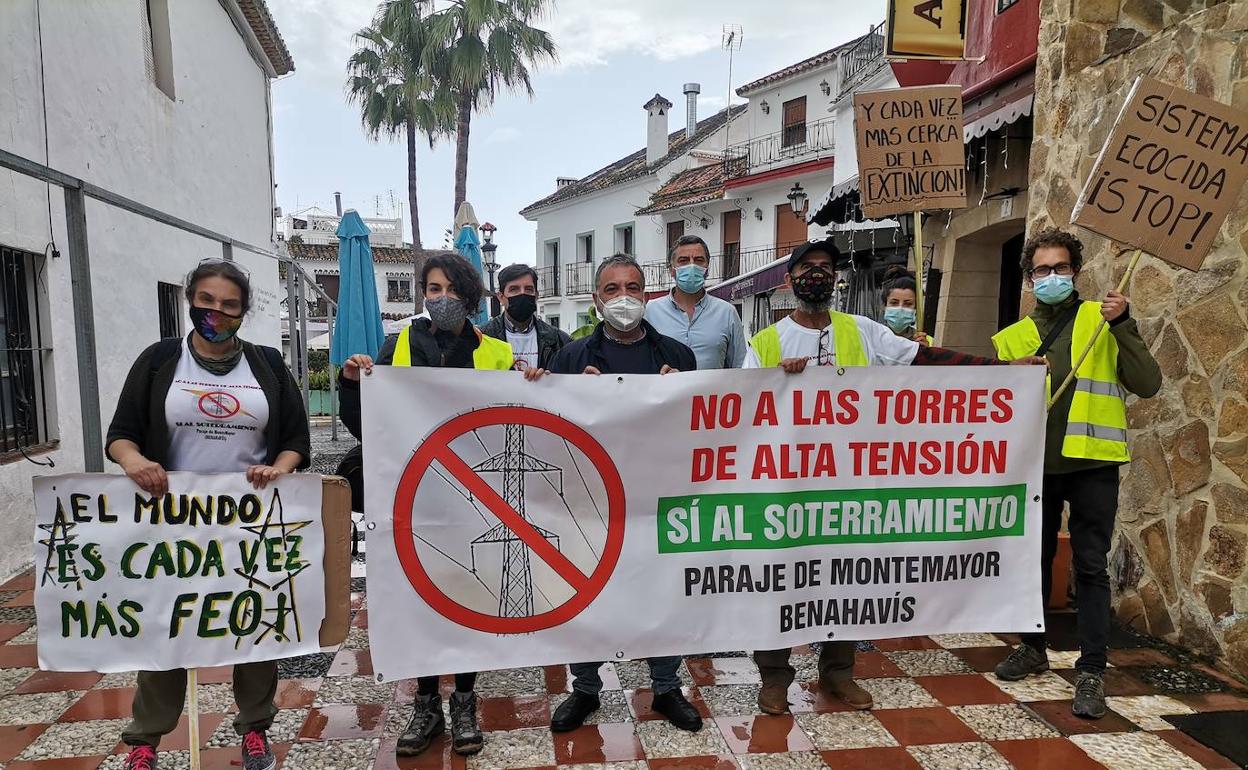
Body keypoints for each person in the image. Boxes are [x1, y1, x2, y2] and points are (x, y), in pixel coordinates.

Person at [744, 238, 1046, 715]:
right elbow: (743, 415)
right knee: (783, 580)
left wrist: (1003, 371)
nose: (817, 274)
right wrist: (776, 381)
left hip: (851, 486)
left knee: (843, 583)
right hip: (789, 489)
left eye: (825, 267)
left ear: (836, 278)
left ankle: (838, 673)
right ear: (789, 280)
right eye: (807, 268)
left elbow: (926, 361)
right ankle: (775, 678)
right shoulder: (764, 343)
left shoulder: (863, 330)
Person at [106, 258, 311, 770]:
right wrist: (135, 462)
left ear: (243, 312)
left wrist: (278, 471)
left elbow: (295, 441)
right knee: (167, 625)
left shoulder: (266, 365)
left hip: (248, 518)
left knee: (254, 621)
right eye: (207, 302)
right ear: (190, 301)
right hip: (171, 519)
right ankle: (146, 740)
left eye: (229, 305)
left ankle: (255, 728)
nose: (216, 313)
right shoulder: (157, 361)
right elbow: (122, 434)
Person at [339, 253, 517, 758]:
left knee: (464, 598)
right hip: (409, 496)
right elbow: (367, 424)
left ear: (471, 294)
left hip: (474, 496)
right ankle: (425, 703)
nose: (441, 298)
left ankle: (464, 699)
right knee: (415, 599)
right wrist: (353, 383)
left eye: (451, 289)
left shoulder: (497, 353)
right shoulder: (395, 348)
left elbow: (513, 421)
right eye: (432, 289)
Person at [991, 228, 1160, 720]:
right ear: (1028, 278)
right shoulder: (1011, 337)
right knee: (1032, 563)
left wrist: (1125, 324)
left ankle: (1091, 670)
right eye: (1041, 270)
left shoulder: (1103, 318)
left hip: (1093, 465)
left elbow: (1148, 383)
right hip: (1035, 467)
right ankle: (1033, 646)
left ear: (1075, 272)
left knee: (1090, 567)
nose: (1051, 277)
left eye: (1060, 268)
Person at [545, 253, 702, 733]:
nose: (624, 298)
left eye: (633, 287)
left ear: (647, 295)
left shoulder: (676, 356)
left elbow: (701, 428)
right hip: (589, 500)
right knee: (586, 589)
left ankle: (665, 686)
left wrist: (684, 393)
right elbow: (550, 427)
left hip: (658, 498)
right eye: (612, 290)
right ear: (596, 301)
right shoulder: (571, 357)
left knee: (661, 591)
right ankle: (585, 689)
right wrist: (562, 389)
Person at [644, 234, 747, 370]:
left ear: (707, 269)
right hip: (665, 391)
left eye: (699, 260)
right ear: (671, 269)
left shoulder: (727, 312)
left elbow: (741, 368)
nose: (692, 266)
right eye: (683, 260)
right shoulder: (650, 311)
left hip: (713, 391)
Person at [481, 262, 572, 370]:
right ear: (501, 297)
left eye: (529, 289)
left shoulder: (559, 340)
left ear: (536, 295)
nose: (522, 294)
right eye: (514, 289)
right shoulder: (482, 338)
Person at [880, 265, 932, 345]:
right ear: (884, 306)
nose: (900, 308)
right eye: (894, 303)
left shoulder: (927, 341)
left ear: (916, 309)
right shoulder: (871, 336)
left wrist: (925, 353)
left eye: (908, 304)